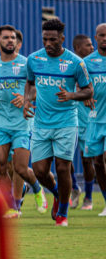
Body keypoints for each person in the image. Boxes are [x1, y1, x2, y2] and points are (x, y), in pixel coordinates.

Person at [23, 18, 93, 227]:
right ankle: (56, 194)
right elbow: (29, 83)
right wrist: (27, 100)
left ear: (62, 38)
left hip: (66, 122)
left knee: (63, 168)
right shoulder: (34, 59)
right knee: (39, 171)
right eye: (45, 39)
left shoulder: (75, 63)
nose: (48, 44)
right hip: (41, 123)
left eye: (53, 40)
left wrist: (71, 96)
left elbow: (88, 90)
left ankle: (62, 213)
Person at [0, 25, 47, 218]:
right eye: (5, 38)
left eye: (12, 38)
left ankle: (37, 188)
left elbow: (40, 89)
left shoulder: (27, 63)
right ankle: (13, 206)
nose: (9, 40)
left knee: (20, 167)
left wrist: (27, 98)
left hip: (22, 123)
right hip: (0, 122)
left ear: (17, 42)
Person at [81, 24, 106, 215]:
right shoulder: (87, 63)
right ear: (95, 38)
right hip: (95, 119)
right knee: (97, 162)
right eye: (102, 35)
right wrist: (86, 95)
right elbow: (80, 86)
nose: (105, 38)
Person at [70, 34, 95, 208]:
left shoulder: (95, 64)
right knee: (63, 159)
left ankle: (89, 196)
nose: (92, 48)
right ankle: (73, 187)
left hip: (87, 118)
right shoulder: (70, 64)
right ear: (78, 48)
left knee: (87, 159)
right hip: (70, 116)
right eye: (88, 45)